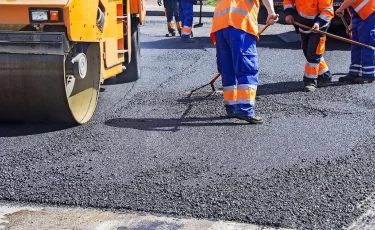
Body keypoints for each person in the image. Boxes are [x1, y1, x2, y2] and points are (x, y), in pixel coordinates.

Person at [210, 0, 278, 124]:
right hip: (240, 23)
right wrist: (271, 11)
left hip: (220, 25)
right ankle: (245, 109)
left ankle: (231, 107)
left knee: (227, 68)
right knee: (247, 68)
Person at [283, 0, 334, 92]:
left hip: (319, 27)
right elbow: (288, 1)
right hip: (303, 25)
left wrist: (318, 23)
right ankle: (325, 74)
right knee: (307, 51)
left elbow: (327, 10)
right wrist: (288, 14)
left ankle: (310, 81)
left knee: (313, 53)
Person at [336, 0, 375, 84]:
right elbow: (354, 6)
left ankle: (369, 75)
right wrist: (352, 24)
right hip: (360, 15)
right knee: (356, 45)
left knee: (366, 44)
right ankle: (354, 72)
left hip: (369, 14)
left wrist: (341, 8)